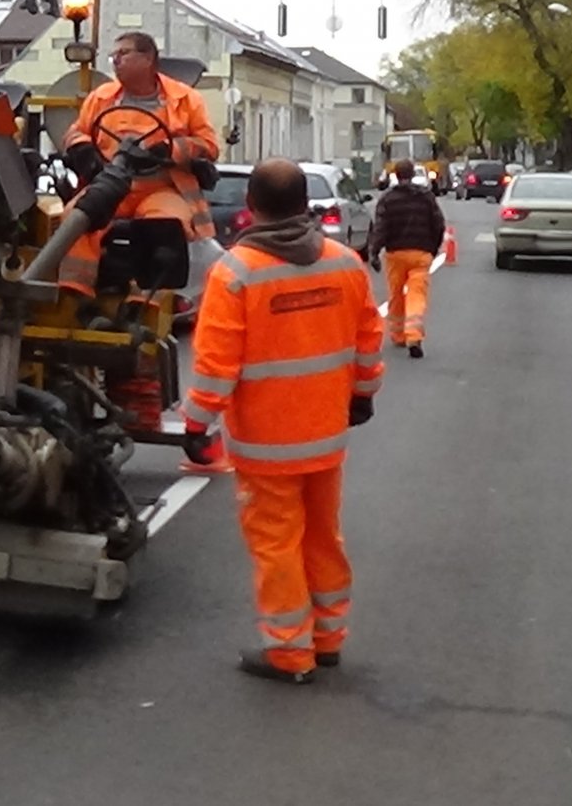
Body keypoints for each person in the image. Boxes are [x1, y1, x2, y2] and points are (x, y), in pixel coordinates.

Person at [182, 158, 384, 685]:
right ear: (304, 205)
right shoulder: (344, 264)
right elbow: (368, 339)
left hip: (265, 445)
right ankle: (328, 639)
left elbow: (216, 363)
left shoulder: (236, 273)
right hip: (326, 435)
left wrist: (196, 424)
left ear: (251, 206)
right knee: (322, 537)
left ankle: (291, 652)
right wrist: (363, 394)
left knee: (277, 545)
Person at [58, 31, 220, 297]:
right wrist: (82, 148)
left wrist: (170, 149)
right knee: (77, 217)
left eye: (123, 53)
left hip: (162, 189)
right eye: (113, 55)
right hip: (111, 185)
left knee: (167, 224)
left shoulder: (186, 100)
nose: (115, 60)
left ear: (148, 59)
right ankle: (75, 289)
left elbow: (208, 145)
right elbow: (76, 131)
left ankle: (148, 298)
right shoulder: (101, 98)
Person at [366, 159, 446, 358]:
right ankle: (414, 335)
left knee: (396, 294)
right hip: (421, 253)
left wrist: (374, 252)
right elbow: (438, 224)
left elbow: (381, 228)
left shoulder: (387, 199)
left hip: (396, 254)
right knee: (416, 294)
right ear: (412, 174)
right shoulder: (426, 197)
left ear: (395, 174)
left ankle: (397, 334)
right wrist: (433, 249)